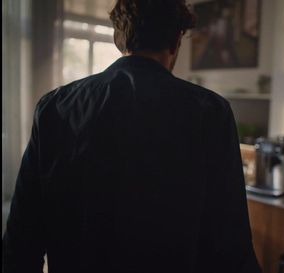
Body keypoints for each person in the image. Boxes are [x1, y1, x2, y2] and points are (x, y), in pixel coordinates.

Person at [2, 0, 261, 272]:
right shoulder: (211, 113)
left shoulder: (54, 108)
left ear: (118, 38)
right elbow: (231, 248)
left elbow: (21, 244)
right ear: (176, 41)